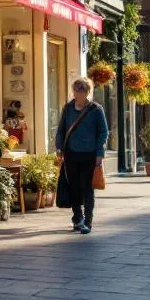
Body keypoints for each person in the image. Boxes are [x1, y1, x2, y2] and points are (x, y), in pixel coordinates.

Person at [54, 77, 109, 235]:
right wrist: (59, 148)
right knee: (74, 187)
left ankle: (88, 220)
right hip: (71, 154)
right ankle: (77, 218)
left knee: (87, 187)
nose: (77, 93)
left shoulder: (96, 109)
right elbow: (61, 130)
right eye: (76, 90)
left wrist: (99, 153)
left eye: (81, 90)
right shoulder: (68, 108)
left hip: (89, 154)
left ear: (87, 92)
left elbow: (103, 132)